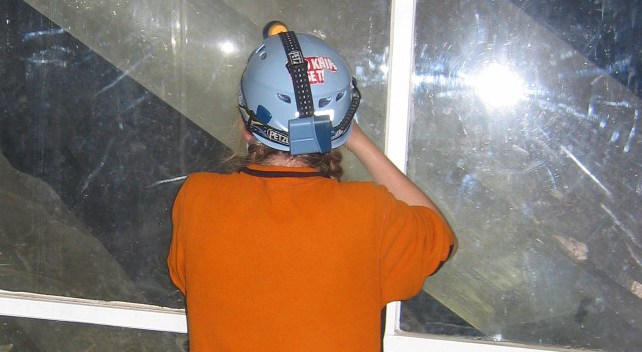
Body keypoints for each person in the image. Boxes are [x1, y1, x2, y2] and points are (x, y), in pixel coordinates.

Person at [167, 23, 456, 352]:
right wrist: (358, 138)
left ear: (248, 127)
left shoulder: (197, 199)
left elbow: (189, 280)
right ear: (341, 126)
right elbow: (440, 244)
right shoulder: (370, 213)